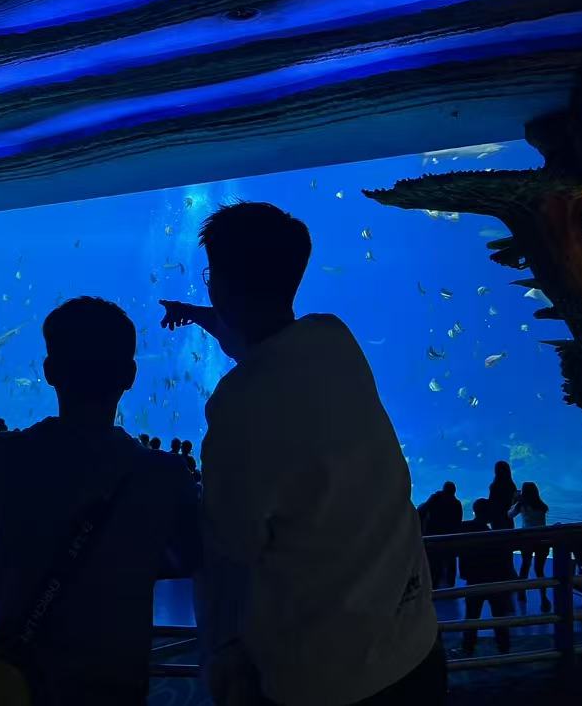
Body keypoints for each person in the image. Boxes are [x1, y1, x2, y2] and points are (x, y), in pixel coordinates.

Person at [164, 202, 443, 706]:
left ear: (219, 284)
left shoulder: (237, 406)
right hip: (416, 646)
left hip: (327, 678)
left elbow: (232, 546)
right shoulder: (335, 339)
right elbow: (265, 343)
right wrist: (206, 316)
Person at [0, 297, 200, 705]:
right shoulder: (165, 476)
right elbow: (189, 555)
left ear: (49, 370)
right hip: (113, 687)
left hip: (16, 685)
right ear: (129, 376)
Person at [460, 498, 516, 655]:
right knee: (499, 615)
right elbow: (503, 559)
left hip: (474, 579)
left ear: (474, 511)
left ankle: (468, 647)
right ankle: (504, 648)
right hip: (494, 579)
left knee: (472, 615)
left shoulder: (463, 528)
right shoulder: (494, 535)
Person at [509, 481, 551, 611]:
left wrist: (514, 500)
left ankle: (522, 593)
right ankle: (544, 598)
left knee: (525, 566)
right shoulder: (542, 506)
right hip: (542, 540)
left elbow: (509, 514)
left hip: (527, 539)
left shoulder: (522, 505)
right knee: (540, 570)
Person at [418, 481, 464, 588]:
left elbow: (421, 510)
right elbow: (458, 522)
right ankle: (449, 585)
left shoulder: (436, 500)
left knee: (435, 563)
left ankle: (434, 586)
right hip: (450, 538)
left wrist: (432, 498)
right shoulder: (457, 503)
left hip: (434, 537)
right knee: (449, 563)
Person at [488, 460, 518, 530]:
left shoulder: (494, 485)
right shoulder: (512, 485)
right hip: (508, 516)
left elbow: (491, 501)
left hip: (496, 516)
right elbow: (515, 502)